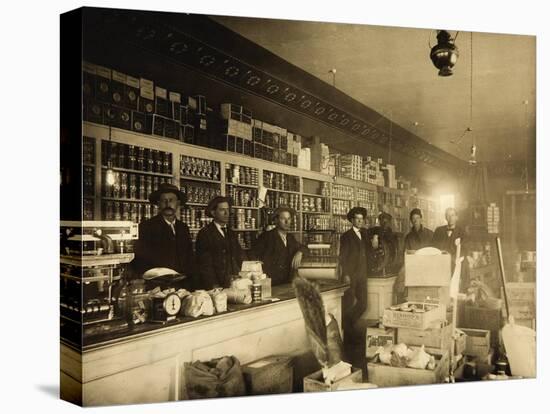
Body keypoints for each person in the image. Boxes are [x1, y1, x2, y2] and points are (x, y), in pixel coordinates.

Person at [133, 183, 195, 288]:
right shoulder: (147, 227)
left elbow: (190, 257)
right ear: (158, 204)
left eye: (171, 200)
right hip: (157, 285)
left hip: (183, 285)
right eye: (164, 200)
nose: (168, 204)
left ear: (178, 203)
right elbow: (140, 259)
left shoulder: (183, 228)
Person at [195, 196, 247, 289]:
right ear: (213, 212)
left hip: (233, 283)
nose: (227, 213)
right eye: (222, 210)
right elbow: (205, 264)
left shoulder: (231, 232)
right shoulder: (205, 233)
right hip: (216, 285)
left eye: (227, 209)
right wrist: (213, 285)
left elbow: (239, 255)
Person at [251, 206, 306, 286]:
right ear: (276, 220)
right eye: (283, 218)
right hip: (272, 284)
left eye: (289, 218)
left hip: (287, 283)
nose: (287, 222)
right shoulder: (266, 236)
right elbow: (254, 258)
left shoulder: (290, 238)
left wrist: (300, 252)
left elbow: (304, 247)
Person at [339, 207, 369, 338]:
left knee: (363, 303)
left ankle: (348, 322)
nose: (360, 221)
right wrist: (345, 274)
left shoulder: (365, 234)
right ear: (352, 220)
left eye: (362, 219)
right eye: (357, 219)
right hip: (351, 274)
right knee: (348, 302)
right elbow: (343, 257)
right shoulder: (346, 236)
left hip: (362, 273)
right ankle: (347, 330)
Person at [432, 207, 468, 272]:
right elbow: (433, 247)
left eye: (452, 215)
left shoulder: (461, 232)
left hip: (455, 263)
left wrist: (455, 258)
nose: (450, 218)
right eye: (448, 215)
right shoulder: (438, 231)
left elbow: (465, 249)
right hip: (441, 262)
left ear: (456, 217)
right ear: (445, 217)